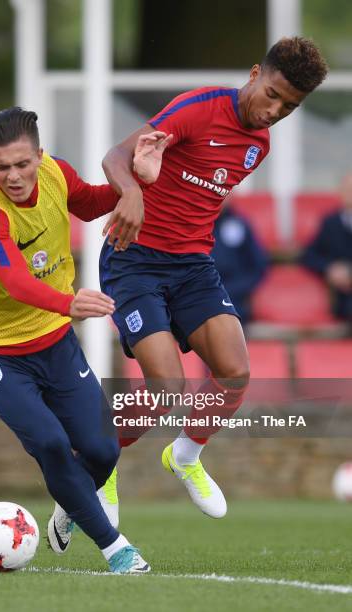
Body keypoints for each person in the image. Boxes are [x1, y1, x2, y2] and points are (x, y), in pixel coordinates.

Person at [96, 36, 328, 522]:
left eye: (290, 106)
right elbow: (117, 158)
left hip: (193, 266)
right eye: (272, 94)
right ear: (253, 74)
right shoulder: (198, 107)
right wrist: (134, 190)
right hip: (134, 258)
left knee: (236, 373)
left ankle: (184, 456)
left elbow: (193, 199)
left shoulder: (258, 146)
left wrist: (156, 178)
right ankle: (96, 465)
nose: (275, 111)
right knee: (167, 387)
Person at [0, 107, 152, 574]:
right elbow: (14, 280)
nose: (14, 177)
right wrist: (67, 303)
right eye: (1, 167)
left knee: (103, 450)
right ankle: (117, 549)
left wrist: (137, 177)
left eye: (22, 164)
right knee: (51, 443)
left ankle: (69, 504)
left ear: (38, 154)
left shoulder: (54, 172)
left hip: (53, 343)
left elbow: (93, 203)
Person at [301, 172, 352, 321]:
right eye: (347, 188)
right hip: (343, 297)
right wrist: (330, 268)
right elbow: (309, 256)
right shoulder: (330, 223)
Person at [212, 202, 268, 324]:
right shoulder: (190, 226)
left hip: (233, 298)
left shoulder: (240, 223)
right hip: (197, 294)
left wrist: (233, 290)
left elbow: (258, 266)